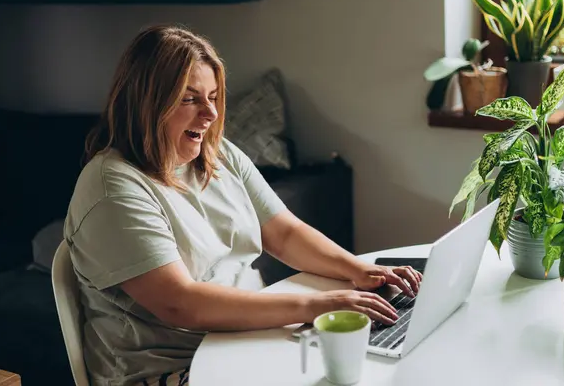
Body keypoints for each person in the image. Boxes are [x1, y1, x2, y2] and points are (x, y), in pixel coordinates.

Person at [63, 24, 422, 386]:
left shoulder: (218, 154)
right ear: (145, 104)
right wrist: (317, 305)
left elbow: (283, 231)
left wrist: (358, 271)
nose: (211, 114)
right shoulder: (112, 187)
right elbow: (180, 303)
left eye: (213, 97)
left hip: (243, 339)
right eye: (189, 99)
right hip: (170, 369)